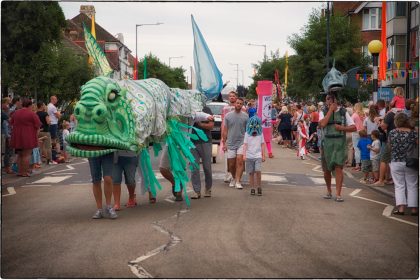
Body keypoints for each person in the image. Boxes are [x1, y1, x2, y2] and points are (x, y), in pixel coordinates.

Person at [319, 93, 356, 202]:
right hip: (327, 144)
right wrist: (330, 110)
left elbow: (354, 127)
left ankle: (338, 194)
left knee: (339, 168)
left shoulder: (344, 112)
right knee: (326, 170)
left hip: (340, 144)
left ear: (335, 100)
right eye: (327, 99)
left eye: (329, 99)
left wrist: (341, 128)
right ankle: (329, 191)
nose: (328, 101)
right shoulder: (323, 111)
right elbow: (322, 124)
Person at [388, 113, 418, 216]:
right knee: (412, 185)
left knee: (399, 185)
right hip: (411, 161)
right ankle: (414, 209)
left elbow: (390, 147)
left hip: (396, 161)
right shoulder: (414, 133)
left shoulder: (392, 133)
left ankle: (401, 209)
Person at [10, 98, 42, 177]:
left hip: (17, 137)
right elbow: (38, 125)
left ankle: (20, 172)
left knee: (20, 155)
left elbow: (11, 122)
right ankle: (24, 172)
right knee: (26, 155)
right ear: (30, 105)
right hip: (28, 137)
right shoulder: (31, 114)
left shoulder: (16, 113)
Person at [222, 97, 249, 189]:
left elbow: (247, 130)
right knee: (231, 164)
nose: (239, 105)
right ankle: (233, 178)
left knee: (240, 161)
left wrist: (247, 143)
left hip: (241, 142)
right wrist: (224, 142)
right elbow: (225, 130)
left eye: (241, 103)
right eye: (237, 103)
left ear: (242, 105)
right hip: (230, 143)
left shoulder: (245, 116)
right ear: (235, 104)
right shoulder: (228, 116)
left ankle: (238, 181)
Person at [190, 105, 214, 199]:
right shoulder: (189, 109)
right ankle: (197, 191)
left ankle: (208, 188)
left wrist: (199, 124)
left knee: (207, 167)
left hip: (205, 141)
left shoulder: (206, 109)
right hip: (192, 142)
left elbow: (211, 126)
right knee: (194, 167)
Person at [372, 108, 396, 186]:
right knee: (389, 161)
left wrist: (379, 123)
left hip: (390, 140)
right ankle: (387, 178)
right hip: (398, 140)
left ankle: (381, 180)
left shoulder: (390, 114)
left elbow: (383, 127)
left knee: (383, 159)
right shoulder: (400, 113)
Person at [89, 153, 117, 219]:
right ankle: (99, 209)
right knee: (96, 181)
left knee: (108, 178)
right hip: (92, 151)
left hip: (108, 151)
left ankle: (109, 206)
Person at [243, 116, 266, 196]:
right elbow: (245, 145)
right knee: (251, 173)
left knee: (258, 171)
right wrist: (244, 155)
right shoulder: (247, 134)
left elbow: (262, 144)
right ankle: (252, 188)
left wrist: (263, 155)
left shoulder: (260, 134)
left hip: (257, 155)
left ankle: (259, 186)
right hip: (249, 156)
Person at [351, 103, 365, 171]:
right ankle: (363, 164)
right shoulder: (363, 114)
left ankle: (357, 165)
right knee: (362, 148)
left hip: (355, 132)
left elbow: (350, 123)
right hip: (362, 132)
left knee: (356, 149)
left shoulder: (354, 115)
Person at [1, 97, 13, 174]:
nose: (8, 105)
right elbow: (7, 124)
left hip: (6, 133)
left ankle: (7, 167)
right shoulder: (4, 113)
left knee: (6, 152)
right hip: (4, 134)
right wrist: (8, 135)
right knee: (5, 152)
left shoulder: (5, 112)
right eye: (7, 103)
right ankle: (7, 168)